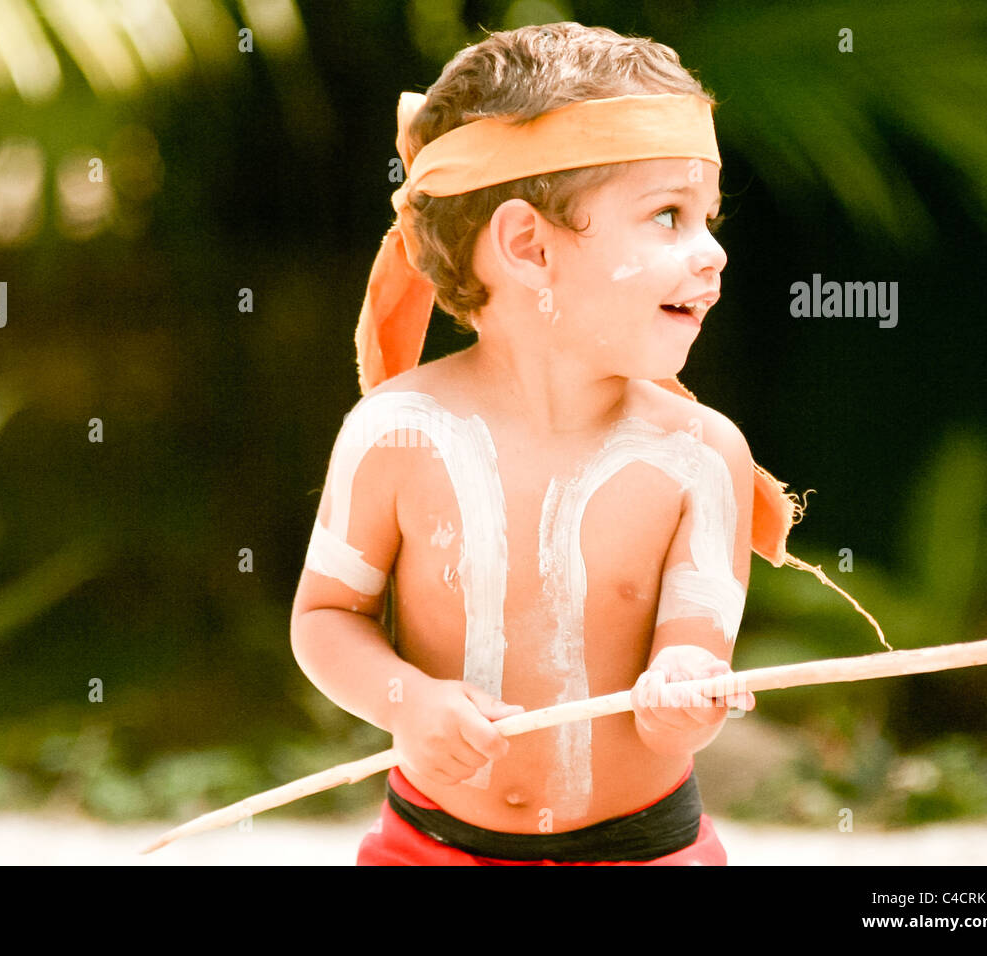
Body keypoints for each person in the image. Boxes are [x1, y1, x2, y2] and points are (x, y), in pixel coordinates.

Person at [290, 22, 861, 866]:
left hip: (645, 851)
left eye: (707, 216)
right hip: (431, 847)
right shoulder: (396, 434)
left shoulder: (701, 455)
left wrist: (685, 691)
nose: (714, 252)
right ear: (528, 245)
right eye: (668, 216)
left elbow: (693, 650)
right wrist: (406, 700)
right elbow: (324, 620)